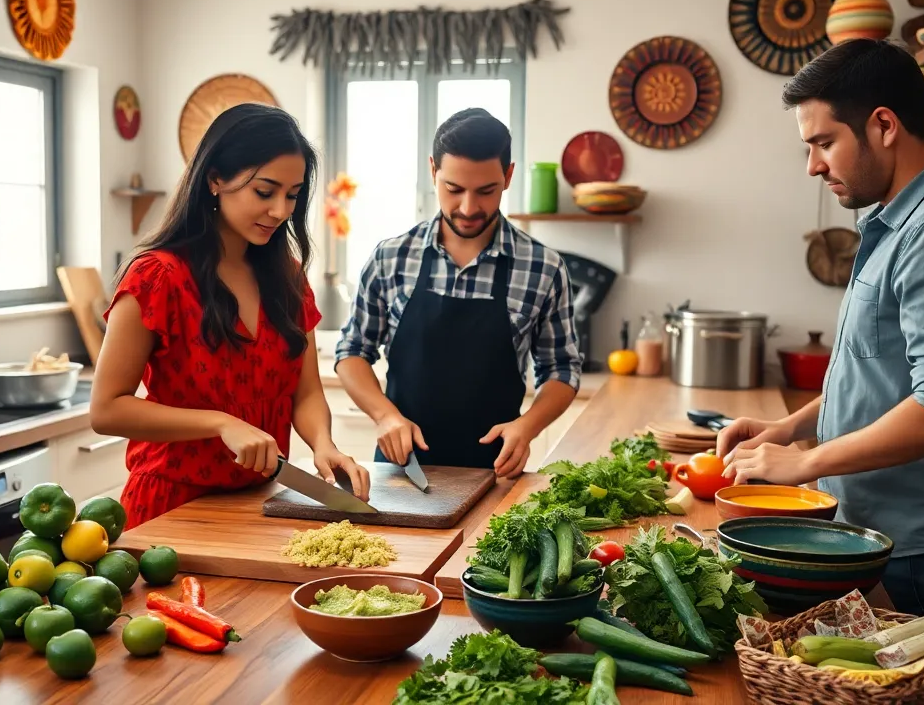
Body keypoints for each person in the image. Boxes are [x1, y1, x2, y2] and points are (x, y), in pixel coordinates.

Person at [718, 39, 924, 693]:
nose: (811, 166)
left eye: (824, 143)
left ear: (884, 125)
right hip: (891, 540)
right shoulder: (903, 221)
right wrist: (789, 428)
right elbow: (881, 374)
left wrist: (804, 463)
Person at [91, 104, 370, 530]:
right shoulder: (157, 276)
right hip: (169, 509)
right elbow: (106, 410)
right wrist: (220, 423)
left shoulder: (288, 276)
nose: (280, 210)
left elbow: (306, 392)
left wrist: (323, 443)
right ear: (215, 179)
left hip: (260, 504)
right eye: (265, 191)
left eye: (292, 195)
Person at [335, 108, 581, 478]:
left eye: (486, 191)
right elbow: (352, 351)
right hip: (403, 472)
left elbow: (561, 367)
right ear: (433, 171)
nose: (468, 208)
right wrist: (384, 416)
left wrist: (528, 426)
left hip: (495, 476)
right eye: (453, 189)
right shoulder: (391, 257)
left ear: (508, 176)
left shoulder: (543, 267)